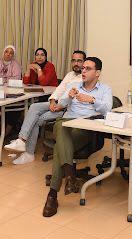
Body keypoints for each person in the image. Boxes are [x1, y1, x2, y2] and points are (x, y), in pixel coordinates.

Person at [42, 57, 112, 217]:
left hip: (85, 127)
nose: (83, 71)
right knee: (61, 126)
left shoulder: (105, 89)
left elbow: (108, 109)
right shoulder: (74, 85)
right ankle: (69, 177)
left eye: (88, 68)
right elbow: (61, 105)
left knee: (59, 147)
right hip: (66, 122)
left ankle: (53, 194)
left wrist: (92, 100)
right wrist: (69, 97)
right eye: (83, 68)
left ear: (97, 73)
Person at [5, 50, 86, 164]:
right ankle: (21, 141)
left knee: (36, 119)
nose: (76, 63)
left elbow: (77, 100)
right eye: (73, 60)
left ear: (84, 62)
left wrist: (60, 106)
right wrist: (52, 101)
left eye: (79, 61)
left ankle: (28, 153)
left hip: (69, 109)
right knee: (34, 107)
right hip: (57, 104)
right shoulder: (70, 74)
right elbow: (59, 90)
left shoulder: (85, 77)